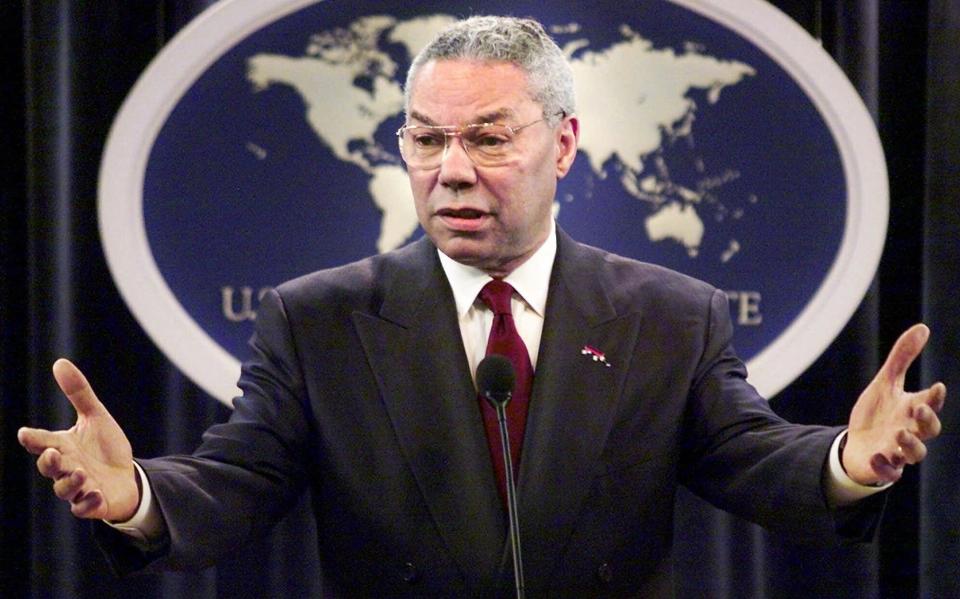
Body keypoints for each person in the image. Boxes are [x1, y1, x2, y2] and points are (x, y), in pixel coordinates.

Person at [18, 16, 946, 597]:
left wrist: (847, 460)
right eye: (426, 138)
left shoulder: (670, 313)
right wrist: (136, 495)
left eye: (489, 137)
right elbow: (236, 481)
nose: (451, 169)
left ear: (566, 144)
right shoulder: (319, 319)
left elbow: (753, 458)